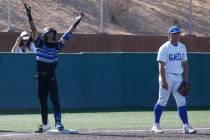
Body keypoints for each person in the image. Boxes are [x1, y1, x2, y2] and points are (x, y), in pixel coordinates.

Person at [24, 3, 84, 133]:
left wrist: (76, 23)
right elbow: (34, 31)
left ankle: (58, 123)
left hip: (51, 77)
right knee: (42, 101)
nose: (54, 35)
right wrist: (29, 15)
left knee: (55, 99)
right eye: (51, 33)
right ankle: (45, 125)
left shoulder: (57, 47)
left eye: (54, 33)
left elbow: (67, 35)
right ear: (46, 35)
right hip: (40, 77)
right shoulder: (40, 44)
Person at [151, 26, 196, 134]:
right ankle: (156, 125)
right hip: (167, 76)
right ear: (169, 35)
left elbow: (185, 64)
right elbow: (161, 66)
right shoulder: (164, 48)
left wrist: (185, 79)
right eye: (174, 33)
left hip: (179, 77)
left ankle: (186, 126)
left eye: (178, 33)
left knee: (182, 101)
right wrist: (163, 80)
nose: (176, 35)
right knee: (162, 101)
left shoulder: (182, 47)